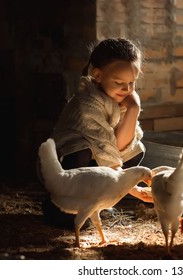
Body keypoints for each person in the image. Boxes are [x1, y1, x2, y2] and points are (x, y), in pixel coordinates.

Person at [38, 37, 152, 228]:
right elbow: (108, 155)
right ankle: (56, 206)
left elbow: (121, 148)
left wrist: (133, 110)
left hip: (98, 166)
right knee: (82, 149)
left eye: (132, 82)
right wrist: (136, 190)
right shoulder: (86, 105)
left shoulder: (121, 98)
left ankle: (95, 202)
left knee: (136, 148)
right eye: (119, 82)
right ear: (98, 75)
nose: (128, 89)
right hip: (66, 166)